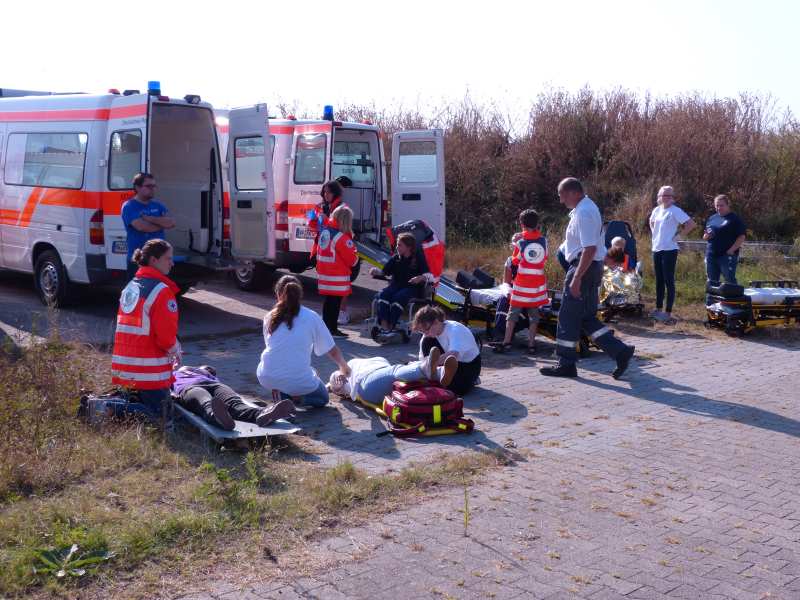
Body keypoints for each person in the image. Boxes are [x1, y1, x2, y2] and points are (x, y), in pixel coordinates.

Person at [540, 177, 635, 379]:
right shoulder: (585, 208)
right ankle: (620, 351)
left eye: (562, 195)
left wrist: (576, 279)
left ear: (573, 192)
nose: (561, 200)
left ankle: (566, 364)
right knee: (586, 318)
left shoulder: (584, 212)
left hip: (583, 268)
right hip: (591, 268)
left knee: (567, 317)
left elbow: (589, 249)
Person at [111, 239, 181, 421]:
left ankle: (109, 407)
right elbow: (165, 339)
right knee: (163, 421)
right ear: (153, 260)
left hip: (124, 372)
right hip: (150, 376)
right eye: (168, 258)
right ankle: (106, 406)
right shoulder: (161, 291)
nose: (172, 263)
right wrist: (176, 349)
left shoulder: (131, 286)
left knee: (131, 418)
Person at [256, 275, 350, 407]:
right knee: (323, 398)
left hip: (267, 376)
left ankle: (282, 395)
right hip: (297, 378)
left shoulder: (269, 316)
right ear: (300, 295)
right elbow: (331, 350)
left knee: (297, 373)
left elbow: (275, 348)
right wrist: (344, 367)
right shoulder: (311, 316)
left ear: (278, 294)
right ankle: (295, 399)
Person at [492, 209, 548, 355]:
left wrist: (515, 243)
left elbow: (515, 260)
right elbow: (544, 257)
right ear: (537, 224)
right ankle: (531, 345)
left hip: (521, 287)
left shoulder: (520, 242)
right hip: (536, 288)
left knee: (512, 315)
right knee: (534, 317)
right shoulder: (544, 241)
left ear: (521, 224)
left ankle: (506, 342)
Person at [172, 365, 295, 430]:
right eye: (208, 368)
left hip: (215, 386)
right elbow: (162, 387)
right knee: (206, 402)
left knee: (236, 404)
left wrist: (209, 374)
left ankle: (263, 414)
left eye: (211, 370)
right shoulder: (173, 373)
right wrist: (171, 395)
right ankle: (218, 419)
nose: (209, 369)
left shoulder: (211, 377)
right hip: (188, 388)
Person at [328, 347, 458, 406]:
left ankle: (439, 373)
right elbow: (332, 384)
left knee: (404, 371)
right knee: (395, 371)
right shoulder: (344, 370)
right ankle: (429, 369)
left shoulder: (352, 363)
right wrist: (339, 376)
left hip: (379, 377)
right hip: (365, 384)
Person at [648, 185, 696, 323]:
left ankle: (668, 312)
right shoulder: (656, 210)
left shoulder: (675, 211)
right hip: (656, 248)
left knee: (668, 279)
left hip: (670, 249)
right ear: (659, 197)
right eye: (664, 195)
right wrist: (655, 234)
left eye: (669, 195)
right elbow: (651, 222)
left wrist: (679, 236)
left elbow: (691, 224)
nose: (667, 198)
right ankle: (658, 308)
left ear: (673, 198)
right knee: (659, 280)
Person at [370, 232, 432, 333]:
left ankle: (391, 326)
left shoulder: (418, 258)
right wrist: (376, 271)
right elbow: (384, 272)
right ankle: (384, 325)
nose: (397, 247)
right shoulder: (396, 258)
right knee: (384, 294)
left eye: (399, 245)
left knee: (398, 297)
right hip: (396, 286)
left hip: (412, 288)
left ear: (408, 247)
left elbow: (429, 276)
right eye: (397, 244)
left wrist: (420, 277)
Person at [412, 305, 482, 395]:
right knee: (427, 341)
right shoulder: (427, 336)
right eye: (422, 331)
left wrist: (431, 364)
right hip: (445, 364)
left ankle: (470, 380)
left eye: (426, 329)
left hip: (468, 366)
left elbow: (453, 355)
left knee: (452, 391)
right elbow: (422, 359)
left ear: (436, 322)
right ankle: (436, 375)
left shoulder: (455, 329)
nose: (425, 333)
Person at [121, 173, 175, 281]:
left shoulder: (158, 205)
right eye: (148, 186)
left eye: (154, 186)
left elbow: (171, 223)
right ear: (137, 187)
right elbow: (142, 227)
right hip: (139, 260)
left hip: (159, 261)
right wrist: (161, 224)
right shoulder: (129, 206)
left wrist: (150, 219)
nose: (152, 189)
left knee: (158, 292)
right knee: (139, 295)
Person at [316, 205, 359, 337]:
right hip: (337, 276)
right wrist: (356, 255)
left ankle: (326, 329)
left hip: (324, 274)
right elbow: (352, 260)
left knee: (328, 302)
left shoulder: (326, 232)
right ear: (347, 221)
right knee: (335, 303)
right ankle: (332, 329)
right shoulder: (342, 238)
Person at [703, 194, 746, 289]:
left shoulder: (734, 219)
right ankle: (710, 304)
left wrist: (731, 250)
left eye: (721, 205)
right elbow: (705, 235)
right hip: (711, 255)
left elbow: (741, 236)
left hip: (726, 256)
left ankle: (734, 302)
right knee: (711, 282)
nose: (719, 208)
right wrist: (706, 236)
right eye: (717, 205)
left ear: (728, 205)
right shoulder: (712, 218)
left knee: (730, 281)